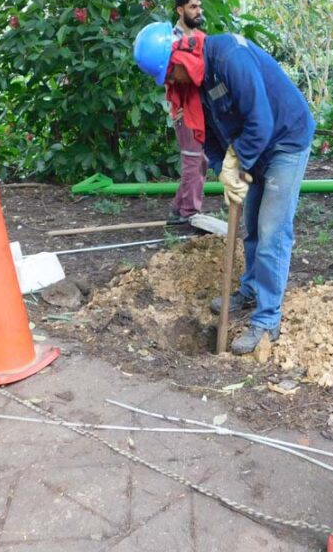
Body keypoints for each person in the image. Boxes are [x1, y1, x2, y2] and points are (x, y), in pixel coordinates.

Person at [134, 23, 314, 355]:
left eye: (170, 73)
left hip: (285, 139)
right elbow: (209, 135)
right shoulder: (194, 83)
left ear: (180, 56)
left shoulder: (230, 58)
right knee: (252, 227)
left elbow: (261, 120)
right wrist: (224, 171)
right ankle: (249, 290)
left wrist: (238, 159)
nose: (170, 82)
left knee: (272, 229)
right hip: (254, 144)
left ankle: (267, 318)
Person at [165, 0, 209, 224]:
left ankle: (178, 209)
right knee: (193, 159)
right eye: (193, 7)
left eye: (199, 6)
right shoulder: (170, 41)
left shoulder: (199, 37)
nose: (198, 11)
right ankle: (189, 213)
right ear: (180, 10)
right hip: (184, 109)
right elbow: (170, 75)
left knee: (200, 160)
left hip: (200, 107)